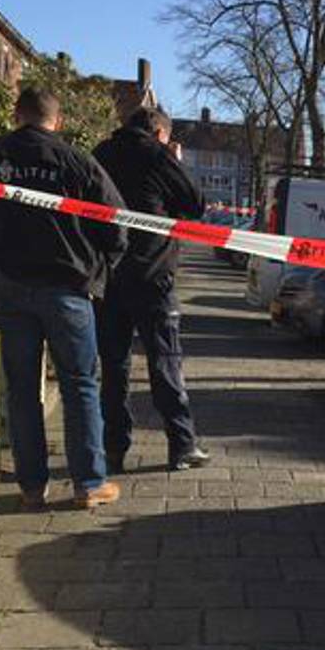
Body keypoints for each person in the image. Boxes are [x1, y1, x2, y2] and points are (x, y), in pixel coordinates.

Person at [0, 86, 127, 510]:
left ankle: (32, 487)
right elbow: (116, 224)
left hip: (11, 284)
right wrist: (99, 269)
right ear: (59, 121)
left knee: (21, 388)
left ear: (16, 115)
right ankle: (88, 484)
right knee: (81, 385)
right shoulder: (76, 162)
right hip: (66, 286)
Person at [92, 107, 209, 473]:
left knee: (113, 367)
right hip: (152, 273)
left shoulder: (100, 154)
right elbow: (195, 204)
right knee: (165, 361)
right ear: (160, 132)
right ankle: (181, 444)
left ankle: (114, 449)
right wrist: (175, 162)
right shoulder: (158, 156)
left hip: (109, 276)